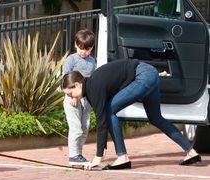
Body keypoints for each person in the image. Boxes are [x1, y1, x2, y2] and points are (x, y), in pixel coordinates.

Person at [61, 59, 202, 170]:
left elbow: (101, 121)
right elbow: (101, 119)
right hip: (151, 73)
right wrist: (102, 150)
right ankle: (191, 152)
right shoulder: (91, 87)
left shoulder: (94, 87)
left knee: (110, 110)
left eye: (70, 93)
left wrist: (98, 157)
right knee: (155, 118)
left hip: (143, 76)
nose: (71, 96)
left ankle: (122, 157)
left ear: (78, 84)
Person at [62, 29, 95, 165]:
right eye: (81, 48)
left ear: (92, 48)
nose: (83, 52)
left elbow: (90, 80)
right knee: (76, 128)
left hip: (85, 100)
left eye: (87, 49)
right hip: (72, 99)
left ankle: (78, 154)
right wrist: (73, 96)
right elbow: (65, 81)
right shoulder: (71, 60)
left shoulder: (92, 61)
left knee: (85, 127)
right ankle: (73, 154)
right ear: (75, 45)